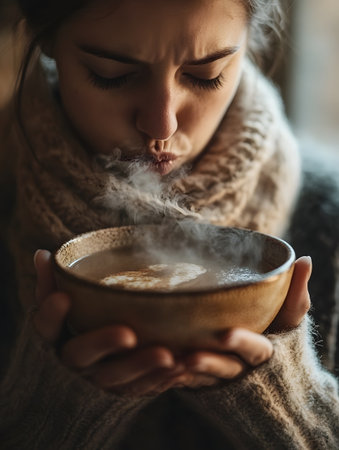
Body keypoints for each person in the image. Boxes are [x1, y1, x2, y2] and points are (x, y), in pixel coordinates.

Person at [0, 0, 338, 448]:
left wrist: (288, 404)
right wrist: (49, 411)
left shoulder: (329, 218)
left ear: (249, 48)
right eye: (111, 74)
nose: (162, 123)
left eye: (205, 75)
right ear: (46, 42)